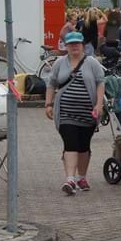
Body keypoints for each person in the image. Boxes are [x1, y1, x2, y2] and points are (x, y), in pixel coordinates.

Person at [45, 32, 105, 195]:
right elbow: (51, 83)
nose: (74, 46)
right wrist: (48, 104)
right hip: (65, 113)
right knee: (70, 143)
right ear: (66, 46)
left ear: (82, 45)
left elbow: (100, 83)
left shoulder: (92, 63)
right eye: (71, 44)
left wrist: (99, 104)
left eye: (77, 43)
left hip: (88, 113)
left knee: (84, 146)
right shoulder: (59, 63)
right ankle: (70, 179)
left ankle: (81, 177)